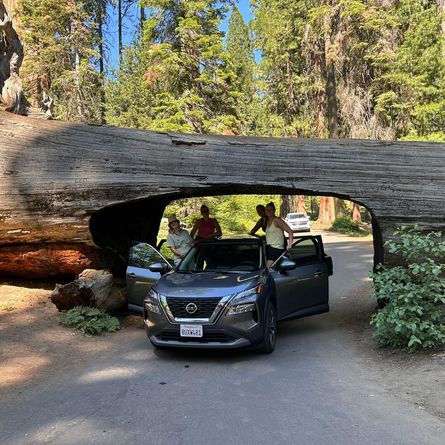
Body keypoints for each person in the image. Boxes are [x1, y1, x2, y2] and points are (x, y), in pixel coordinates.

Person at [264, 201, 293, 269]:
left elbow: (290, 231)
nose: (268, 211)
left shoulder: (277, 220)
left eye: (270, 209)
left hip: (276, 248)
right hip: (269, 248)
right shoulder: (267, 221)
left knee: (268, 269)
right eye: (266, 209)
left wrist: (290, 244)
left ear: (274, 210)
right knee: (269, 269)